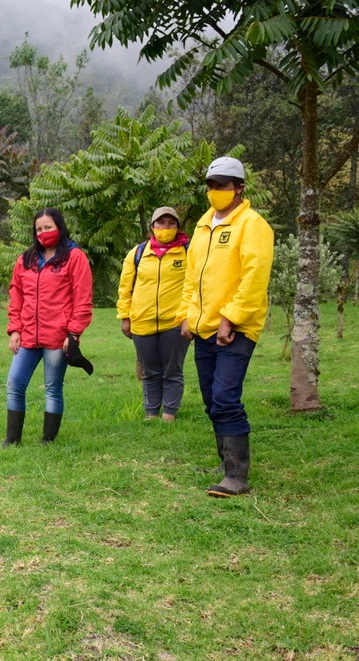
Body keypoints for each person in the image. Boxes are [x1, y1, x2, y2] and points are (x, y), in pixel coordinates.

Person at [180, 157, 273, 498]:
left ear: (239, 187)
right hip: (204, 327)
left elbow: (254, 278)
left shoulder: (252, 225)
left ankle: (237, 477)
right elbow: (192, 278)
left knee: (225, 397)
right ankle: (225, 462)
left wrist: (230, 317)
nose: (215, 190)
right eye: (211, 184)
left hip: (237, 327)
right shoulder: (204, 225)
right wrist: (187, 316)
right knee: (210, 398)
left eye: (222, 184)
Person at [3, 208, 93, 446]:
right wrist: (15, 329)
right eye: (39, 229)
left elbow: (82, 298)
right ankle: (12, 439)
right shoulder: (26, 259)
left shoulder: (75, 257)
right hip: (28, 335)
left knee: (52, 388)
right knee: (14, 383)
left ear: (60, 227)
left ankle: (48, 440)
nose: (43, 232)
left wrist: (73, 332)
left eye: (48, 227)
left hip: (57, 336)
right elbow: (16, 295)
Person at [115, 207, 190, 422]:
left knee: (172, 371)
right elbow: (125, 288)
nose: (166, 228)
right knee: (150, 372)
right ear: (152, 227)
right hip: (142, 322)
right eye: (161, 223)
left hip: (175, 323)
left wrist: (187, 317)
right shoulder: (137, 253)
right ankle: (151, 414)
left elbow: (195, 286)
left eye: (171, 224)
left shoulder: (188, 251)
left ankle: (169, 414)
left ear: (177, 227)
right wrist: (125, 317)